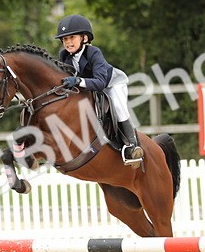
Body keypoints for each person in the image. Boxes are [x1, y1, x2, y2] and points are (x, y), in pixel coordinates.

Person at [54, 14, 144, 164]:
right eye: (64, 39)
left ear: (84, 38)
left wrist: (77, 80)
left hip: (112, 83)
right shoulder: (64, 56)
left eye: (72, 38)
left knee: (118, 106)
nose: (68, 42)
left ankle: (132, 145)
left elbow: (101, 82)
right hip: (89, 86)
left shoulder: (93, 52)